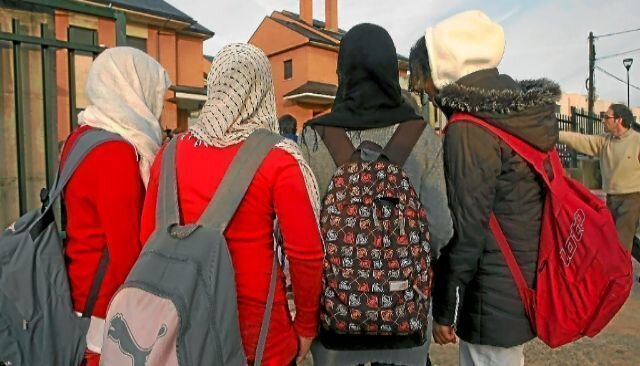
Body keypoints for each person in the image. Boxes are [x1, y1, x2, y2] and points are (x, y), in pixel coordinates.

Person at [139, 43, 324, 366]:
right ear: (262, 91)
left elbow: (147, 238)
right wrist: (306, 325)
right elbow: (306, 253)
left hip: (183, 327)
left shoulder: (169, 153)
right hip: (259, 338)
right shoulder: (278, 159)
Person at [409, 10, 561, 365]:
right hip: (519, 274)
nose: (427, 93)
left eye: (425, 80)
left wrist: (444, 307)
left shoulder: (470, 130)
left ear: (444, 69)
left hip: (491, 291)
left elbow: (465, 230)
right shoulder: (518, 116)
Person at [301, 23, 453, 366]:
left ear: (343, 71)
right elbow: (442, 229)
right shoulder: (421, 135)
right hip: (405, 319)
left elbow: (303, 236)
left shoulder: (315, 137)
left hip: (336, 323)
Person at [60, 47, 171, 366]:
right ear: (130, 88)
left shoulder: (80, 136)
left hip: (81, 284)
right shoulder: (116, 152)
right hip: (107, 306)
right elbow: (126, 250)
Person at [559, 104, 640, 252]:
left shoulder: (637, 141)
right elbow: (581, 140)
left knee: (620, 245)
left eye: (606, 117)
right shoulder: (605, 141)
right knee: (612, 240)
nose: (603, 120)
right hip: (612, 198)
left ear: (619, 120)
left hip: (632, 199)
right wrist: (556, 135)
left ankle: (620, 274)